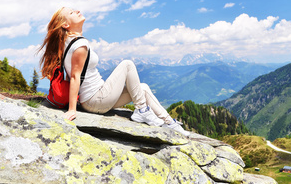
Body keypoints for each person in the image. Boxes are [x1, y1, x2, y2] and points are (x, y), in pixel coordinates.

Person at [39, 7, 190, 137]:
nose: (78, 10)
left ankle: (170, 123)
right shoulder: (80, 45)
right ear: (65, 24)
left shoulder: (68, 42)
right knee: (127, 64)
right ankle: (143, 111)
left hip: (98, 97)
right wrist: (72, 110)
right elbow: (74, 77)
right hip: (95, 100)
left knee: (142, 88)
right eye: (72, 12)